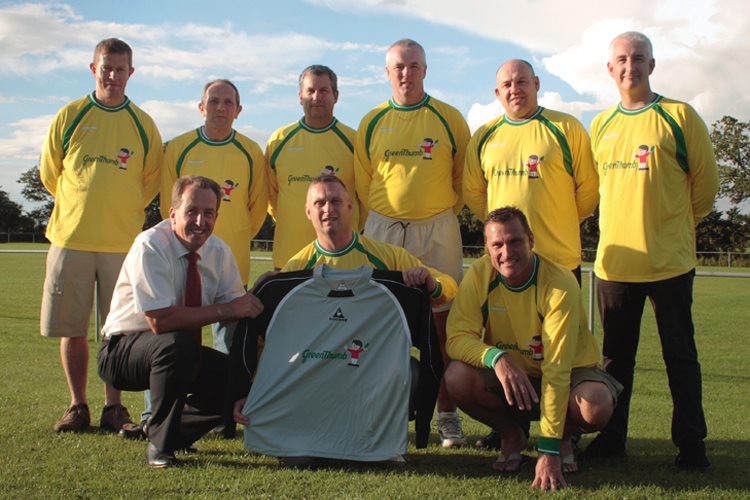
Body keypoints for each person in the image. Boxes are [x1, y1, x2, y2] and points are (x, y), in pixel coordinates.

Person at [581, 32, 719, 473]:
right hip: (615, 265)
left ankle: (691, 445)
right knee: (615, 361)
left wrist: (671, 228)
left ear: (651, 65)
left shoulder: (680, 116)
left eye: (638, 58)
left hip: (669, 264)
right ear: (610, 69)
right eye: (621, 59)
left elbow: (706, 188)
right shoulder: (600, 124)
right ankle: (611, 439)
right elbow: (595, 191)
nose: (630, 66)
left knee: (680, 358)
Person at [444, 207, 621, 491]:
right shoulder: (479, 274)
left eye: (515, 241)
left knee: (595, 405)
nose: (507, 253)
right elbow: (456, 338)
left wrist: (549, 450)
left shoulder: (559, 282)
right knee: (456, 377)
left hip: (568, 375)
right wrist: (496, 357)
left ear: (531, 240)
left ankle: (562, 438)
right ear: (487, 248)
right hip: (513, 375)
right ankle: (511, 435)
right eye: (497, 245)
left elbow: (556, 368)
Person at [97, 176, 267, 468]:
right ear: (173, 214)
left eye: (209, 213)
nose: (200, 221)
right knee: (177, 345)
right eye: (192, 211)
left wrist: (262, 294)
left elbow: (237, 310)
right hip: (122, 352)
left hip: (177, 351)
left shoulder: (219, 251)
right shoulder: (150, 245)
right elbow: (160, 321)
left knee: (235, 376)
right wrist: (225, 309)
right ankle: (160, 448)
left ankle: (168, 433)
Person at [40, 38, 163, 433]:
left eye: (120, 69)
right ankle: (78, 406)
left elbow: (150, 182)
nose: (113, 75)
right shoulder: (71, 115)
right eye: (106, 68)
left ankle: (114, 408)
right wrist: (79, 205)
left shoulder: (142, 123)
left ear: (131, 72)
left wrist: (119, 211)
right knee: (72, 328)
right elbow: (50, 173)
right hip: (71, 238)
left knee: (118, 331)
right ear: (94, 69)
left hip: (122, 244)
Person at [354, 39, 470, 447]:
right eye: (399, 67)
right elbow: (363, 183)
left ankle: (447, 415)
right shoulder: (371, 121)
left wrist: (431, 212)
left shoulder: (449, 118)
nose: (406, 73)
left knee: (442, 326)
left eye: (414, 65)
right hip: (383, 229)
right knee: (379, 322)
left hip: (437, 228)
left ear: (425, 69)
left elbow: (461, 178)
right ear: (387, 72)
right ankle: (377, 413)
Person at [463, 59, 599, 284]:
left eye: (522, 81)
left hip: (558, 260)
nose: (514, 89)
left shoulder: (567, 127)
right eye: (507, 85)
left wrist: (563, 220)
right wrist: (502, 227)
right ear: (498, 93)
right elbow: (472, 193)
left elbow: (590, 187)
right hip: (505, 262)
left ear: (536, 84)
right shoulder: (483, 136)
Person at [160, 79, 268, 353]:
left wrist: (236, 236)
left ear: (238, 110)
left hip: (232, 264)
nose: (221, 108)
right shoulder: (179, 146)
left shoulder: (251, 151)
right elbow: (167, 207)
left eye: (228, 102)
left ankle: (224, 385)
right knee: (175, 344)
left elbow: (257, 209)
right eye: (214, 101)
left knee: (230, 348)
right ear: (201, 107)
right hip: (183, 261)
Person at [283, 175, 456, 309]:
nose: (328, 209)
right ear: (308, 212)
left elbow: (448, 286)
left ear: (350, 207)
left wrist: (431, 283)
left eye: (336, 201)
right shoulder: (296, 267)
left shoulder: (389, 257)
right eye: (319, 203)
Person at [266, 65, 363, 270]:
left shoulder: (354, 141)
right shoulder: (279, 140)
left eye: (324, 90)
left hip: (342, 259)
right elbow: (272, 197)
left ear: (336, 96)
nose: (316, 97)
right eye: (310, 91)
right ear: (300, 97)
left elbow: (364, 199)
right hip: (290, 258)